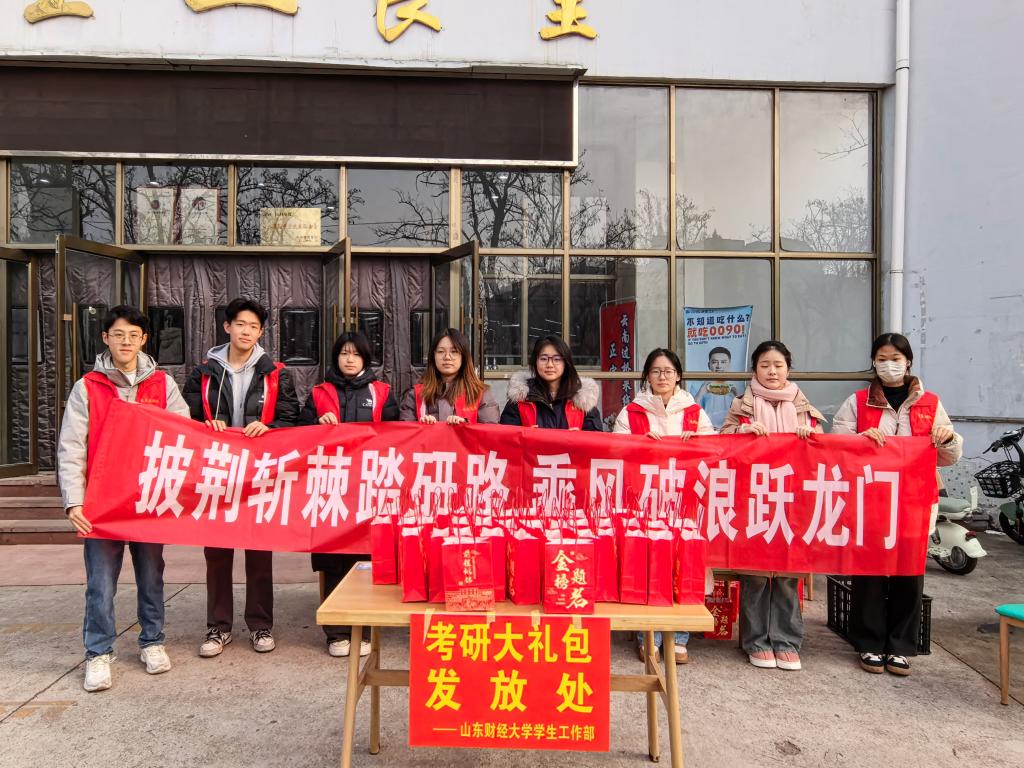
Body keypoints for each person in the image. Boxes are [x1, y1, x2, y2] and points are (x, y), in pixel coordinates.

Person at [58, 305, 191, 692]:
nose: (126, 341)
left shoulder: (162, 385)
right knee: (100, 583)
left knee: (151, 576)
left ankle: (152, 641)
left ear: (144, 339)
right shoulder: (88, 387)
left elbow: (184, 433)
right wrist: (74, 501)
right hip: (102, 505)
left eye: (134, 335)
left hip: (148, 500)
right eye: (118, 334)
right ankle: (98, 652)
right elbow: (71, 447)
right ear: (106, 338)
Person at [832, 332, 962, 676]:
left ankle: (901, 646)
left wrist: (948, 438)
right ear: (873, 362)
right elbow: (838, 443)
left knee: (909, 570)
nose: (888, 365)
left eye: (895, 359)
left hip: (915, 499)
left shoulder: (930, 404)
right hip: (871, 498)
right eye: (882, 359)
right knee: (870, 569)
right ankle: (869, 641)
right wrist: (859, 439)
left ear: (908, 362)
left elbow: (949, 454)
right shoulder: (858, 402)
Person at [183, 297, 299, 658]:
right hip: (217, 473)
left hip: (258, 474)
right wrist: (206, 425)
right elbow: (184, 417)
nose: (246, 331)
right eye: (240, 324)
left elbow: (291, 417)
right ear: (227, 327)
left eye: (254, 326)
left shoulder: (276, 373)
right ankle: (218, 627)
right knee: (217, 554)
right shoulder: (203, 373)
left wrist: (269, 427)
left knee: (259, 552)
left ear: (260, 332)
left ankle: (260, 625)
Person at [721, 340, 824, 671]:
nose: (772, 371)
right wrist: (741, 432)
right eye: (764, 365)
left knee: (787, 574)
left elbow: (823, 451)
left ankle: (787, 640)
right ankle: (756, 640)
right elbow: (722, 442)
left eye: (778, 365)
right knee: (754, 573)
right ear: (754, 369)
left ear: (788, 369)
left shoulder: (804, 407)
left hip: (793, 501)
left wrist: (811, 438)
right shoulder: (741, 405)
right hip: (753, 499)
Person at [298, 330, 399, 658]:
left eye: (356, 354)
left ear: (365, 358)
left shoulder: (382, 393)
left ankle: (364, 627)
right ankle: (336, 632)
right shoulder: (318, 393)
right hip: (330, 488)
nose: (350, 359)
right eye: (344, 353)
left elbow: (399, 436)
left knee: (367, 559)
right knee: (332, 558)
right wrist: (317, 422)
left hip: (369, 488)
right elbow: (297, 434)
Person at [613, 348, 716, 665]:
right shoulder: (631, 412)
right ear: (647, 376)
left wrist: (696, 442)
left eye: (668, 371)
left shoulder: (695, 412)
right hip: (643, 500)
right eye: (656, 371)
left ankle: (679, 636)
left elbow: (713, 448)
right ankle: (648, 635)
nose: (662, 377)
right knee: (647, 562)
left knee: (683, 563)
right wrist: (639, 443)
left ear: (678, 375)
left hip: (685, 500)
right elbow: (615, 449)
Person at [499, 335, 603, 432]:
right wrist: (525, 436)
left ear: (566, 363)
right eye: (543, 359)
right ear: (535, 362)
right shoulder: (519, 398)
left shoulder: (583, 399)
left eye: (556, 359)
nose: (550, 365)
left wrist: (580, 438)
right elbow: (506, 438)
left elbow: (596, 440)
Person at [399, 328, 500, 425]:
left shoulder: (480, 393)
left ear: (464, 357)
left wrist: (465, 426)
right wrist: (423, 427)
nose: (447, 357)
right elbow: (406, 432)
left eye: (454, 351)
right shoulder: (416, 394)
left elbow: (490, 431)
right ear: (433, 356)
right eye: (440, 351)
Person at [693, 346, 739, 429]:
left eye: (723, 362)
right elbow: (692, 413)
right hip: (707, 430)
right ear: (709, 365)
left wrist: (736, 395)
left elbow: (744, 413)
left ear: (729, 364)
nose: (719, 366)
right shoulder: (698, 386)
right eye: (714, 362)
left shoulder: (738, 384)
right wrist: (701, 392)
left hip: (731, 430)